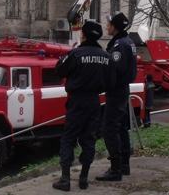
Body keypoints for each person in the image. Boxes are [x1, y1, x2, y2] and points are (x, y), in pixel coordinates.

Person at [52, 20, 110, 191]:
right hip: (94, 102)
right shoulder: (106, 56)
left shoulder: (76, 54)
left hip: (77, 102)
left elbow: (59, 70)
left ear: (83, 35)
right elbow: (110, 80)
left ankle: (65, 179)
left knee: (68, 139)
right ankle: (84, 178)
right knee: (88, 139)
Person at [96, 12, 137, 181]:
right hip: (122, 90)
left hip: (116, 91)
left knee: (109, 129)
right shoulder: (128, 42)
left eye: (109, 24)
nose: (107, 27)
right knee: (120, 127)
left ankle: (115, 169)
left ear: (116, 26)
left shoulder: (119, 45)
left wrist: (103, 85)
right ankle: (124, 165)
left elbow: (114, 71)